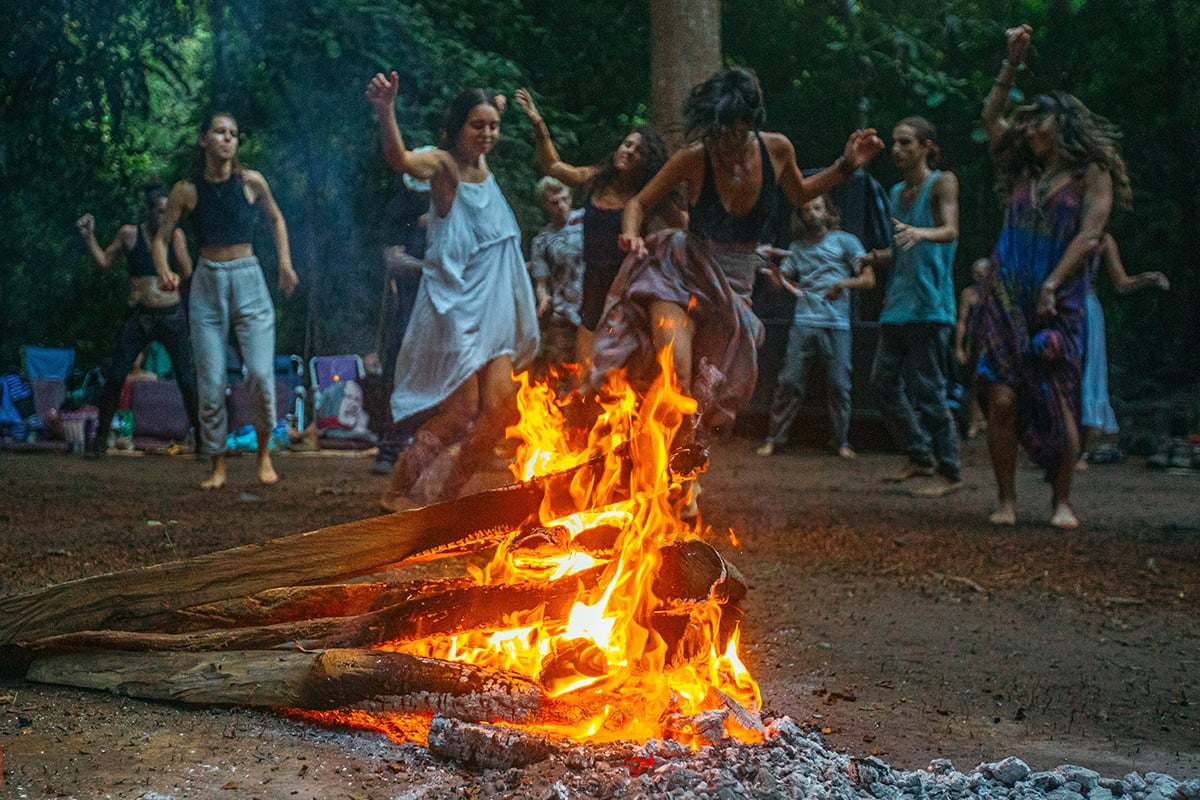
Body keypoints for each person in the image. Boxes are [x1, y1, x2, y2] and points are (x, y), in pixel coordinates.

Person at [607, 66, 883, 428]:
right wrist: (632, 235)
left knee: (706, 392)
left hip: (734, 287)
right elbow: (638, 204)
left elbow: (800, 193)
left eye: (737, 131)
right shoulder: (693, 157)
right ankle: (655, 471)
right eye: (720, 132)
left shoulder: (777, 149)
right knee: (676, 371)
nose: (727, 142)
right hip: (681, 272)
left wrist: (846, 165)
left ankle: (678, 474)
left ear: (752, 121)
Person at [975, 24, 1130, 528]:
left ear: (1060, 127)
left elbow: (1091, 233)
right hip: (1005, 296)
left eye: (1038, 124)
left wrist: (1051, 284)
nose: (1029, 130)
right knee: (1001, 398)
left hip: (1059, 301)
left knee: (1060, 400)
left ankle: (1062, 501)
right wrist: (1011, 62)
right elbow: (991, 116)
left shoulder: (1091, 174)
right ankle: (1006, 501)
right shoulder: (1022, 172)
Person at [366, 73, 539, 511]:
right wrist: (386, 110)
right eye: (476, 125)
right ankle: (396, 491)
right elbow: (401, 160)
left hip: (493, 309)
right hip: (455, 308)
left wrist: (498, 104)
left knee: (500, 411)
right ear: (458, 127)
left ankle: (451, 495)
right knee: (460, 413)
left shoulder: (484, 168)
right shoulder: (444, 167)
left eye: (492, 126)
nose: (486, 134)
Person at [154, 112, 299, 490]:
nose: (227, 139)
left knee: (260, 375)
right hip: (207, 282)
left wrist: (284, 262)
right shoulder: (186, 190)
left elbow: (276, 219)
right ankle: (217, 464)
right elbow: (161, 237)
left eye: (233, 134)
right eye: (219, 132)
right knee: (211, 381)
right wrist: (164, 270)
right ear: (204, 139)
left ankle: (264, 453)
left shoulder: (250, 182)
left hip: (248, 279)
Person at [514, 88, 677, 365]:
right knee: (586, 359)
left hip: (627, 284)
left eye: (638, 150)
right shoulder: (596, 179)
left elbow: (684, 223)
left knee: (625, 359)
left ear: (648, 161)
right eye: (627, 144)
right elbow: (553, 165)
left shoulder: (648, 195)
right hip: (593, 281)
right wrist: (538, 123)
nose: (629, 151)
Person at [860, 116, 963, 498]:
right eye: (895, 143)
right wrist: (873, 257)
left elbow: (950, 231)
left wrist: (922, 232)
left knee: (929, 390)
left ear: (927, 147)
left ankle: (950, 470)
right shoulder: (896, 191)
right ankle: (920, 455)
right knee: (882, 384)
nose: (897, 150)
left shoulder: (942, 182)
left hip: (929, 306)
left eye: (906, 143)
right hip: (897, 306)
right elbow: (900, 248)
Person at [76, 181, 199, 456]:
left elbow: (189, 272)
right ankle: (99, 443)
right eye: (160, 212)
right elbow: (103, 262)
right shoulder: (130, 235)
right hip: (139, 317)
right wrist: (89, 237)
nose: (165, 217)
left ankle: (202, 439)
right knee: (116, 375)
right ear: (148, 212)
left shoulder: (176, 236)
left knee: (186, 379)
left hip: (171, 315)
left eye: (169, 213)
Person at [755, 195, 874, 457]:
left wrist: (842, 284)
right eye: (806, 209)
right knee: (789, 381)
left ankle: (841, 441)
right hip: (804, 321)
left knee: (839, 384)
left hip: (837, 323)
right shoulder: (796, 247)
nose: (811, 213)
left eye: (817, 207)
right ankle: (774, 438)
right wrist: (769, 270)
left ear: (829, 211)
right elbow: (781, 284)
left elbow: (868, 279)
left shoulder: (846, 241)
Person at [1077, 232, 1169, 468]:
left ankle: (1081, 451)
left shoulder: (1104, 240)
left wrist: (1146, 278)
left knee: (1089, 375)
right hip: (1061, 303)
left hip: (1087, 305)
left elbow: (1121, 283)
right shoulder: (1063, 225)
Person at [527, 176, 586, 372]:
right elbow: (541, 282)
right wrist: (543, 298)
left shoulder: (589, 220)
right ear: (545, 205)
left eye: (564, 198)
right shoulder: (542, 240)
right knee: (562, 371)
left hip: (596, 308)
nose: (561, 206)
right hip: (564, 314)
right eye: (554, 203)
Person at [954, 257, 991, 439]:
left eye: (981, 273)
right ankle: (975, 421)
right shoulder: (968, 294)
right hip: (975, 343)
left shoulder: (995, 294)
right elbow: (962, 322)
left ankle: (989, 421)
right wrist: (959, 347)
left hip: (993, 343)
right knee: (974, 383)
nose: (978, 277)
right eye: (975, 274)